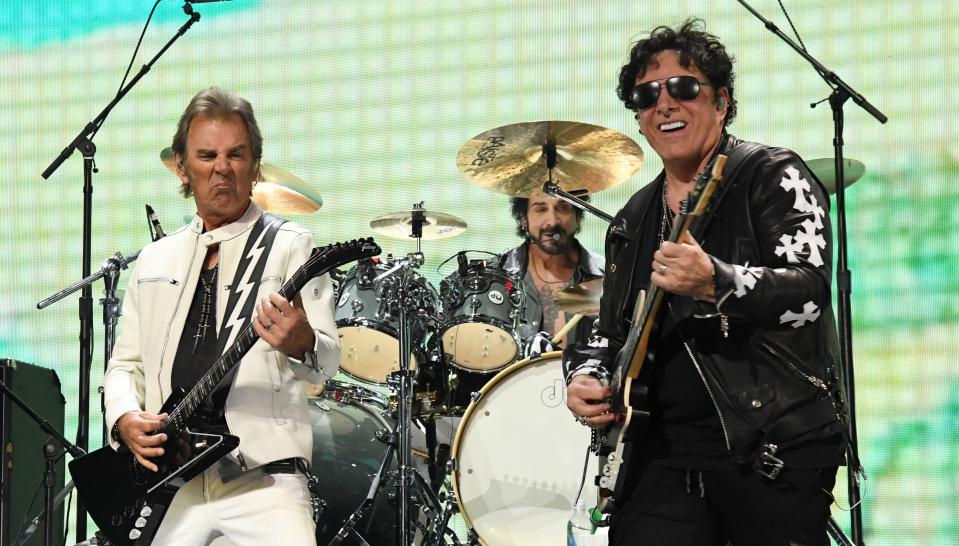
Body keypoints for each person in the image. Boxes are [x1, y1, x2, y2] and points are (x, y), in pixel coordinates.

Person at [564, 19, 848, 546]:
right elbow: (607, 331)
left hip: (770, 446)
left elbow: (809, 291)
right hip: (659, 457)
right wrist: (583, 376)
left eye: (683, 87)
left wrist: (717, 281)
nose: (664, 104)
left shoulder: (772, 173)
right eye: (646, 95)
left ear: (721, 100)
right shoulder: (632, 217)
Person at [103, 87, 339, 545]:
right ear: (181, 167)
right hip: (172, 482)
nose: (222, 168)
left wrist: (302, 342)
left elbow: (327, 362)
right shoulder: (154, 259)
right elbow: (124, 367)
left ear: (255, 164)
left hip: (264, 478)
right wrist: (125, 418)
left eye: (236, 154)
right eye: (206, 155)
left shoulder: (290, 245)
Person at [498, 188, 604, 352]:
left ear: (577, 216)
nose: (553, 222)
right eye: (540, 209)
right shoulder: (498, 276)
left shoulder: (609, 276)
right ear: (523, 219)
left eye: (563, 208)